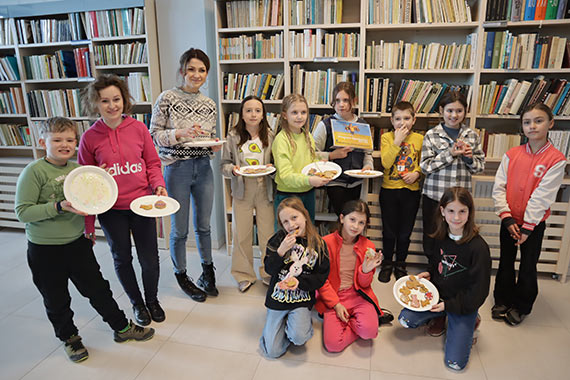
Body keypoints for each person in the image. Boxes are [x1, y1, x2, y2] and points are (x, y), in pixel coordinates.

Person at [15, 117, 154, 363]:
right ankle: (70, 339)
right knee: (56, 298)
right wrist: (58, 206)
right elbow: (23, 212)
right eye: (57, 139)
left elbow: (92, 202)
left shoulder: (80, 173)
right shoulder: (34, 172)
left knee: (99, 289)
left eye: (69, 139)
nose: (64, 144)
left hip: (77, 244)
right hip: (44, 250)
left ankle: (121, 328)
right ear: (42, 142)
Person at [78, 74, 167, 327]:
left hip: (142, 205)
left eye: (116, 99)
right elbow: (86, 184)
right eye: (105, 101)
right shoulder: (89, 138)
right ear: (96, 104)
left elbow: (152, 163)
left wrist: (158, 185)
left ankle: (152, 300)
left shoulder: (139, 128)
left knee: (149, 258)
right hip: (111, 210)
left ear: (124, 100)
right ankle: (137, 303)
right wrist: (88, 224)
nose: (112, 105)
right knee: (122, 258)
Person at [150, 48, 221, 301]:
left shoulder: (209, 104)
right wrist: (177, 134)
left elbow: (204, 137)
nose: (196, 74)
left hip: (203, 166)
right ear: (182, 71)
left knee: (204, 225)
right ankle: (182, 275)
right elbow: (153, 135)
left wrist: (212, 144)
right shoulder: (167, 98)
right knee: (179, 229)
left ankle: (207, 272)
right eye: (191, 69)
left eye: (202, 70)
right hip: (176, 168)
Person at [398, 187, 491, 372]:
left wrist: (450, 306)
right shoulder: (439, 236)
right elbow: (436, 264)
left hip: (463, 304)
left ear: (469, 212)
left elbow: (479, 292)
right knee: (405, 320)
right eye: (451, 211)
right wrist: (429, 274)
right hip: (438, 298)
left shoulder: (479, 248)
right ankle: (441, 316)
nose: (456, 217)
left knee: (454, 365)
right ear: (442, 211)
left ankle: (469, 320)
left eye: (462, 211)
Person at [491, 103, 566, 326]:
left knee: (527, 264)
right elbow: (499, 186)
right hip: (509, 221)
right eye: (527, 122)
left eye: (538, 120)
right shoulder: (512, 154)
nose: (532, 126)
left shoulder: (556, 159)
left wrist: (528, 226)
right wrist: (505, 215)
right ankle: (502, 299)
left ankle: (522, 305)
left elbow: (542, 196)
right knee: (505, 261)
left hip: (533, 225)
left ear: (550, 123)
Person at [259, 197, 330, 358]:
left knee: (299, 338)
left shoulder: (318, 244)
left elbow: (321, 276)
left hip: (301, 299)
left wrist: (300, 282)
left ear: (305, 215)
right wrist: (281, 251)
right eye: (285, 222)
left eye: (294, 218)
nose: (291, 225)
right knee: (272, 351)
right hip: (277, 298)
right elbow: (269, 269)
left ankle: (296, 326)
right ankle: (280, 325)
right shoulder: (278, 240)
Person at [420, 91, 485, 262]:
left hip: (460, 200)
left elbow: (479, 168)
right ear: (442, 110)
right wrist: (449, 153)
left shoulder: (472, 136)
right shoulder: (431, 135)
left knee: (457, 236)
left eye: (459, 111)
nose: (454, 115)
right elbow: (425, 167)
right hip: (435, 197)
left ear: (465, 111)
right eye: (449, 110)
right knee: (431, 237)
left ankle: (452, 270)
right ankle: (432, 269)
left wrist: (469, 158)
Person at [315, 200, 387, 353]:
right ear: (342, 218)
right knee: (333, 345)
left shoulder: (369, 246)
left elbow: (364, 285)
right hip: (333, 296)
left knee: (370, 332)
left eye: (361, 222)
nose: (356, 226)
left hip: (357, 295)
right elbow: (321, 280)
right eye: (352, 220)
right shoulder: (325, 243)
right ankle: (360, 321)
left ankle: (362, 321)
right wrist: (336, 304)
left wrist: (366, 271)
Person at [221, 95, 275, 291]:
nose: (253, 114)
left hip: (265, 188)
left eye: (258, 110)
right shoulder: (233, 136)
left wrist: (272, 166)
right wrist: (233, 170)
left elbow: (277, 163)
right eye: (248, 110)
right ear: (242, 114)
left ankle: (269, 272)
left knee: (267, 234)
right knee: (241, 234)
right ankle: (243, 274)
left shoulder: (270, 135)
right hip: (242, 189)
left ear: (263, 115)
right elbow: (223, 165)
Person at [378, 101, 423, 282]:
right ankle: (387, 263)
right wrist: (397, 140)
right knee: (389, 232)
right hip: (389, 190)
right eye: (398, 118)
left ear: (413, 120)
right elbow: (386, 163)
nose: (402, 122)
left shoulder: (420, 139)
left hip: (410, 192)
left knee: (405, 232)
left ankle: (400, 264)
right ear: (391, 120)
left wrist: (417, 173)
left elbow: (424, 163)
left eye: (406, 118)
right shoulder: (387, 138)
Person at [312, 82, 373, 215]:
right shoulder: (325, 125)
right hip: (335, 182)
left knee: (354, 217)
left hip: (357, 182)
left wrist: (368, 166)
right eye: (337, 100)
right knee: (343, 216)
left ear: (354, 101)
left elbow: (367, 153)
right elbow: (312, 154)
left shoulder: (362, 125)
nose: (341, 104)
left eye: (346, 100)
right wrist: (332, 155)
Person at [272, 94, 331, 224]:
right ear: (285, 115)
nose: (299, 116)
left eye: (303, 112)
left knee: (308, 231)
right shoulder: (281, 140)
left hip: (308, 192)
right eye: (294, 112)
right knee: (288, 234)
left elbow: (310, 161)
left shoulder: (307, 135)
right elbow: (285, 175)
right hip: (287, 195)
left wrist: (319, 166)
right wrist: (309, 180)